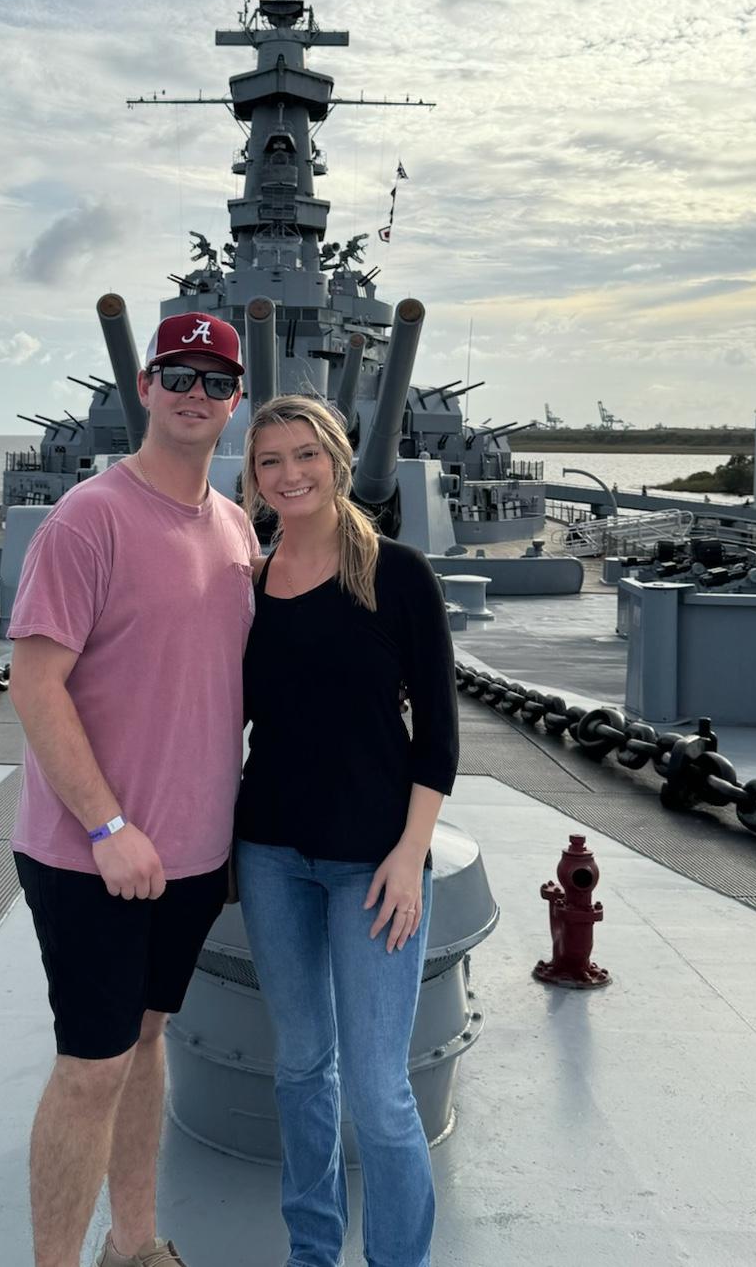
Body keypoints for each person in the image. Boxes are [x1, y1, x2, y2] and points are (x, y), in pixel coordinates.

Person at [8, 311, 259, 1267]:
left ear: (235, 402)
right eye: (178, 375)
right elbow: (35, 683)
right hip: (93, 854)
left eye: (215, 380)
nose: (196, 394)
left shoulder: (235, 527)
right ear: (146, 387)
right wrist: (108, 825)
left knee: (148, 1040)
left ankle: (135, 1243)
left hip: (190, 857)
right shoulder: (90, 518)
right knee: (90, 1069)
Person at [234, 394, 458, 1267]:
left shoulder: (397, 575)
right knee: (301, 1067)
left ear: (336, 459)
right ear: (254, 479)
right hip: (271, 855)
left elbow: (438, 735)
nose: (290, 474)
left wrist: (410, 855)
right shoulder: (251, 585)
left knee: (378, 1091)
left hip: (374, 861)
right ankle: (312, 1251)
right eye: (270, 461)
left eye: (305, 455)